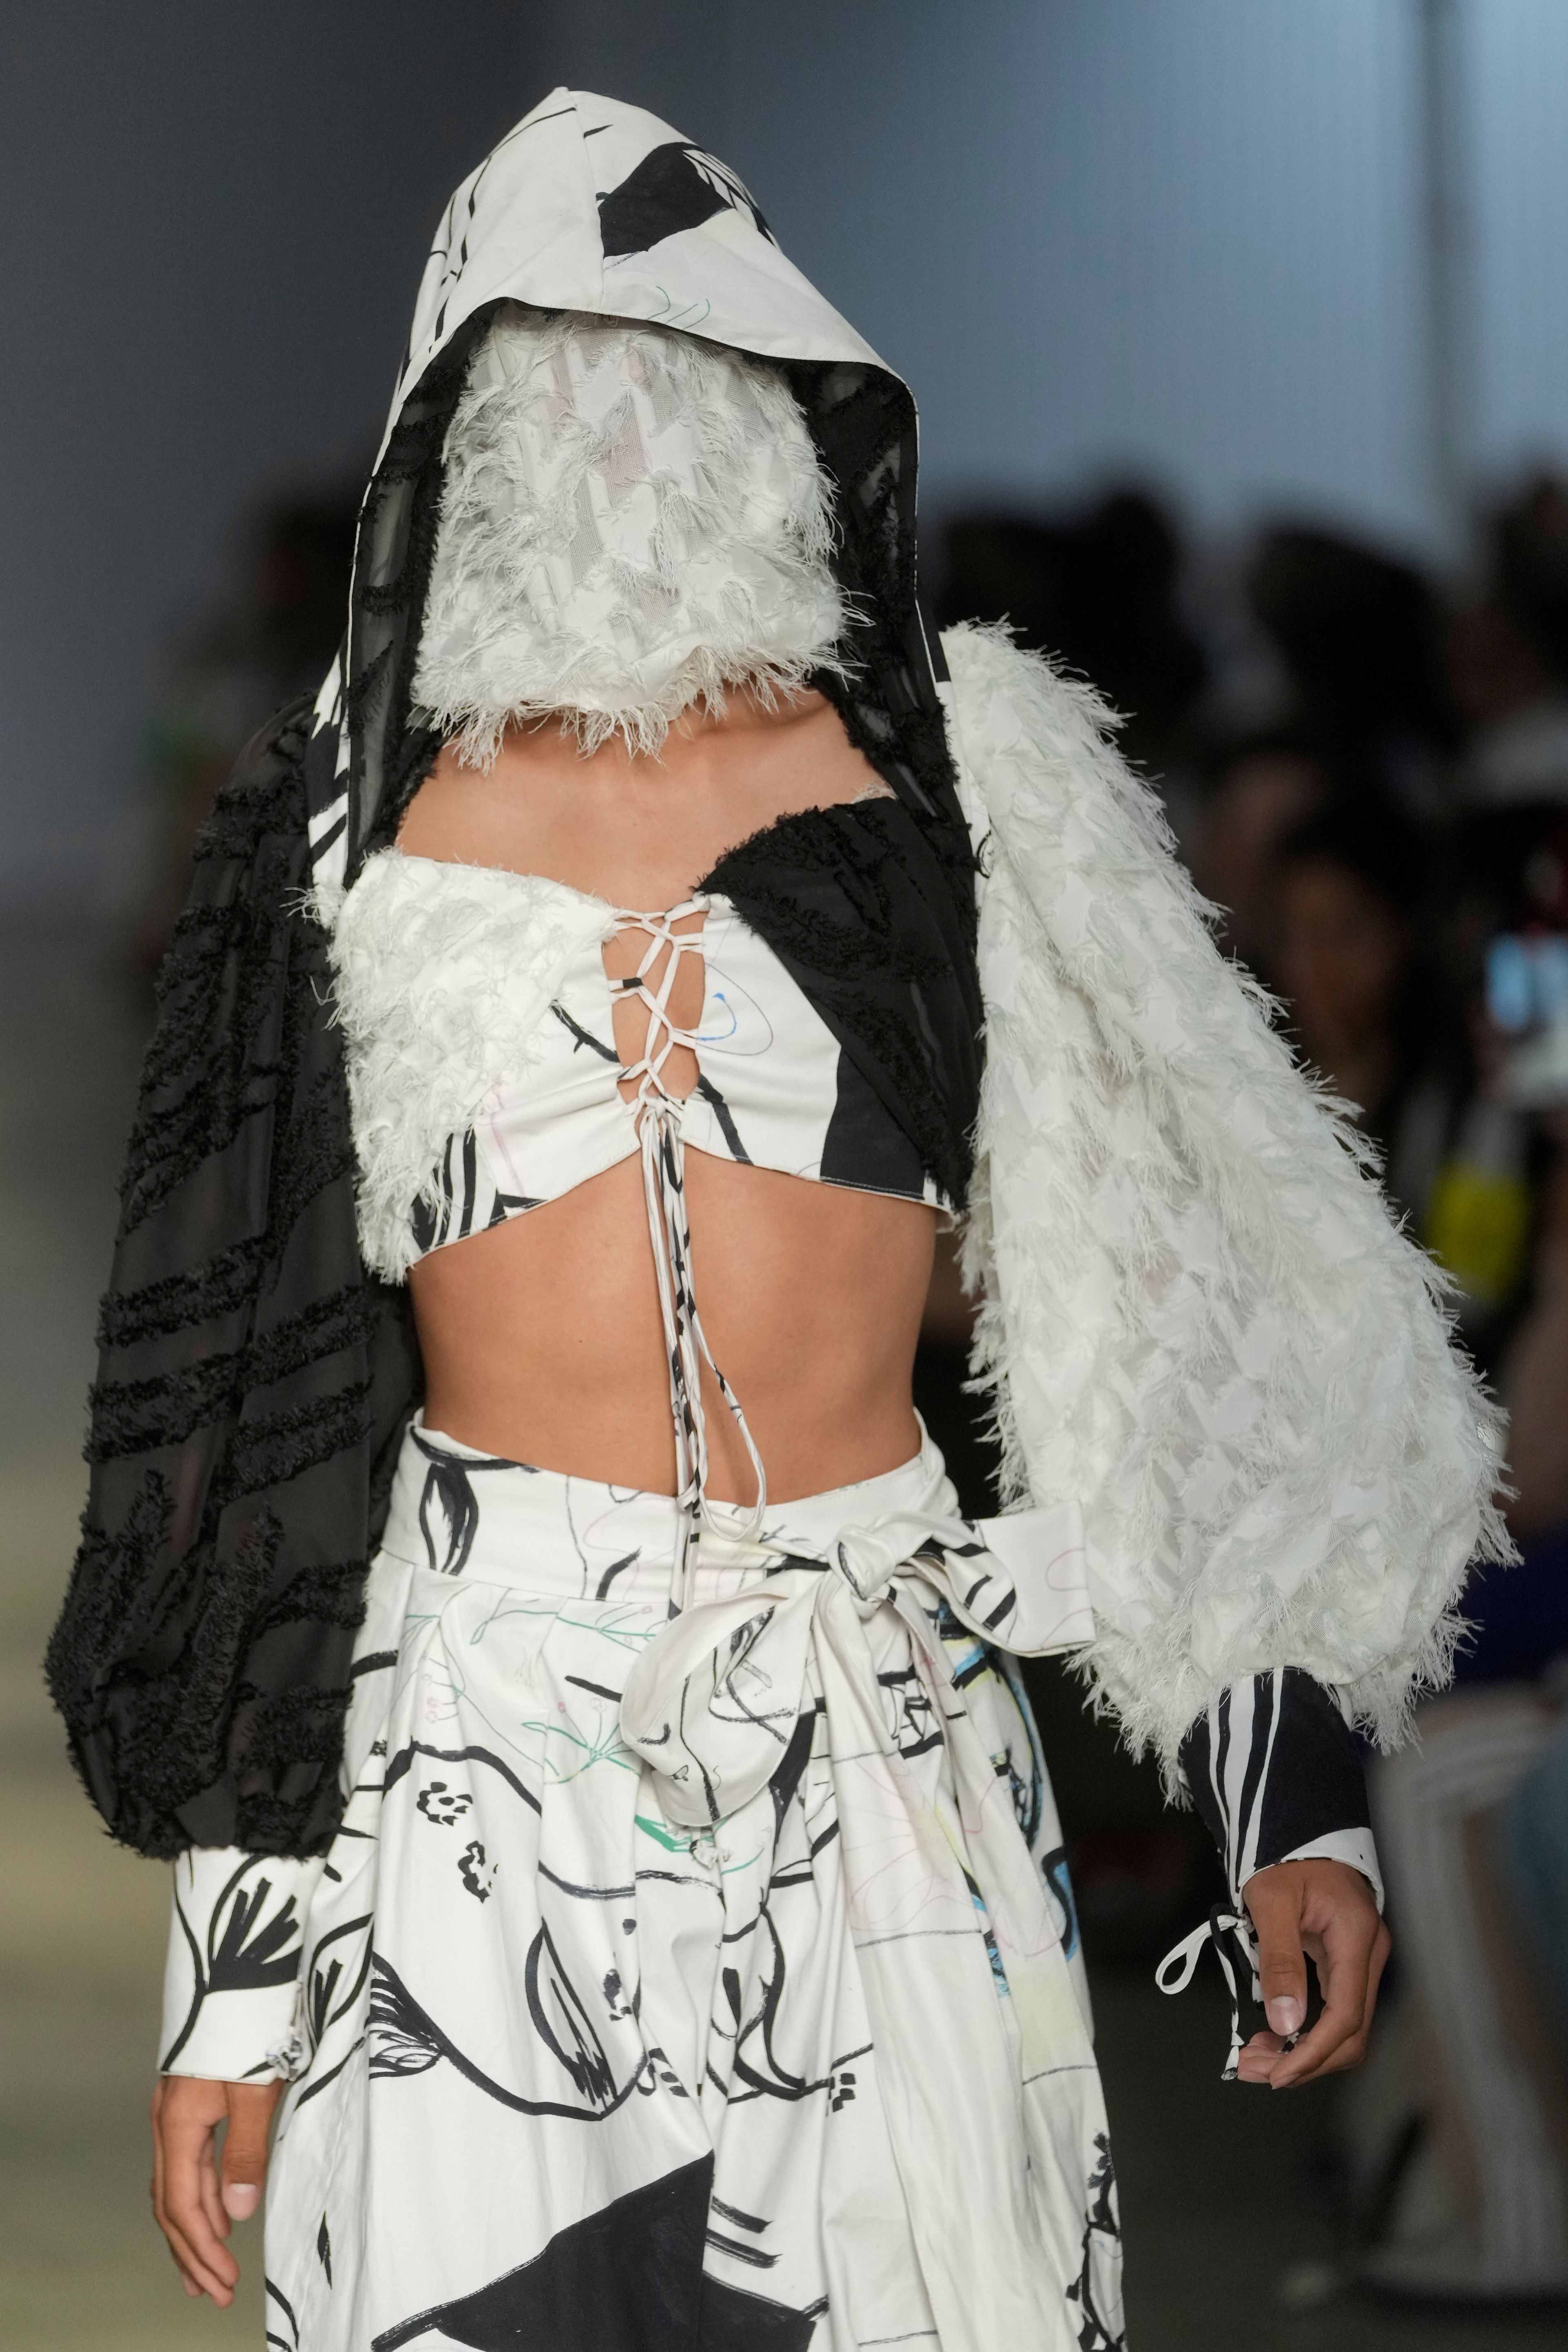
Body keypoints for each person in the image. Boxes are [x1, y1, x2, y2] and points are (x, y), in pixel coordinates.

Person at [47, 91, 1508, 2352]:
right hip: (468, 1749)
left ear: (780, 392)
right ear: (467, 422)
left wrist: (1291, 1796)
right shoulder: (337, 816)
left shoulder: (962, 776)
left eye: (678, 371)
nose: (627, 436)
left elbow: (1170, 1287)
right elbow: (255, 1402)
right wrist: (231, 1978)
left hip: (885, 1732)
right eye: (562, 378)